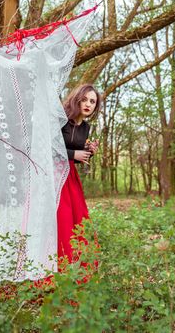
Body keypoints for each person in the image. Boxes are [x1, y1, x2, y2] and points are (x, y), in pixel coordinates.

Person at [57, 84, 101, 264]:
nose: (88, 104)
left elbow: (76, 156)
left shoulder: (86, 127)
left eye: (92, 101)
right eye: (84, 99)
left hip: (70, 175)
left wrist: (88, 151)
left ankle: (74, 263)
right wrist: (74, 154)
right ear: (77, 99)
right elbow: (47, 149)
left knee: (76, 217)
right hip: (53, 175)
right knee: (60, 216)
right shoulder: (61, 119)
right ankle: (55, 261)